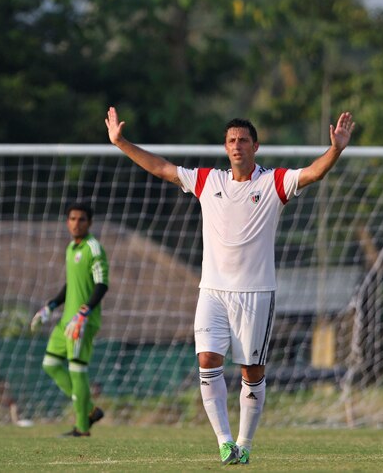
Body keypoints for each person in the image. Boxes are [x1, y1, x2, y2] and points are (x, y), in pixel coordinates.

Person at [105, 106, 355, 465]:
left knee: (251, 373)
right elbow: (161, 168)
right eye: (231, 141)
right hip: (212, 292)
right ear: (225, 147)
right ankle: (224, 443)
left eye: (243, 140)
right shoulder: (209, 181)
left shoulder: (274, 182)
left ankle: (245, 443)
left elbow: (313, 173)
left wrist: (336, 149)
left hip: (256, 293)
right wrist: (121, 142)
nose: (237, 146)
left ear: (255, 146)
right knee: (207, 361)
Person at [30, 202, 109, 437]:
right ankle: (90, 410)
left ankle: (82, 428)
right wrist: (50, 306)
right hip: (66, 320)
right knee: (50, 364)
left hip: (82, 322)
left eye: (81, 219)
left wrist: (84, 312)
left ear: (90, 223)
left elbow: (102, 284)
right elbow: (71, 285)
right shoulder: (70, 248)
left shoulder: (94, 248)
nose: (76, 223)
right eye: (72, 219)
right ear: (67, 222)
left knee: (77, 371)